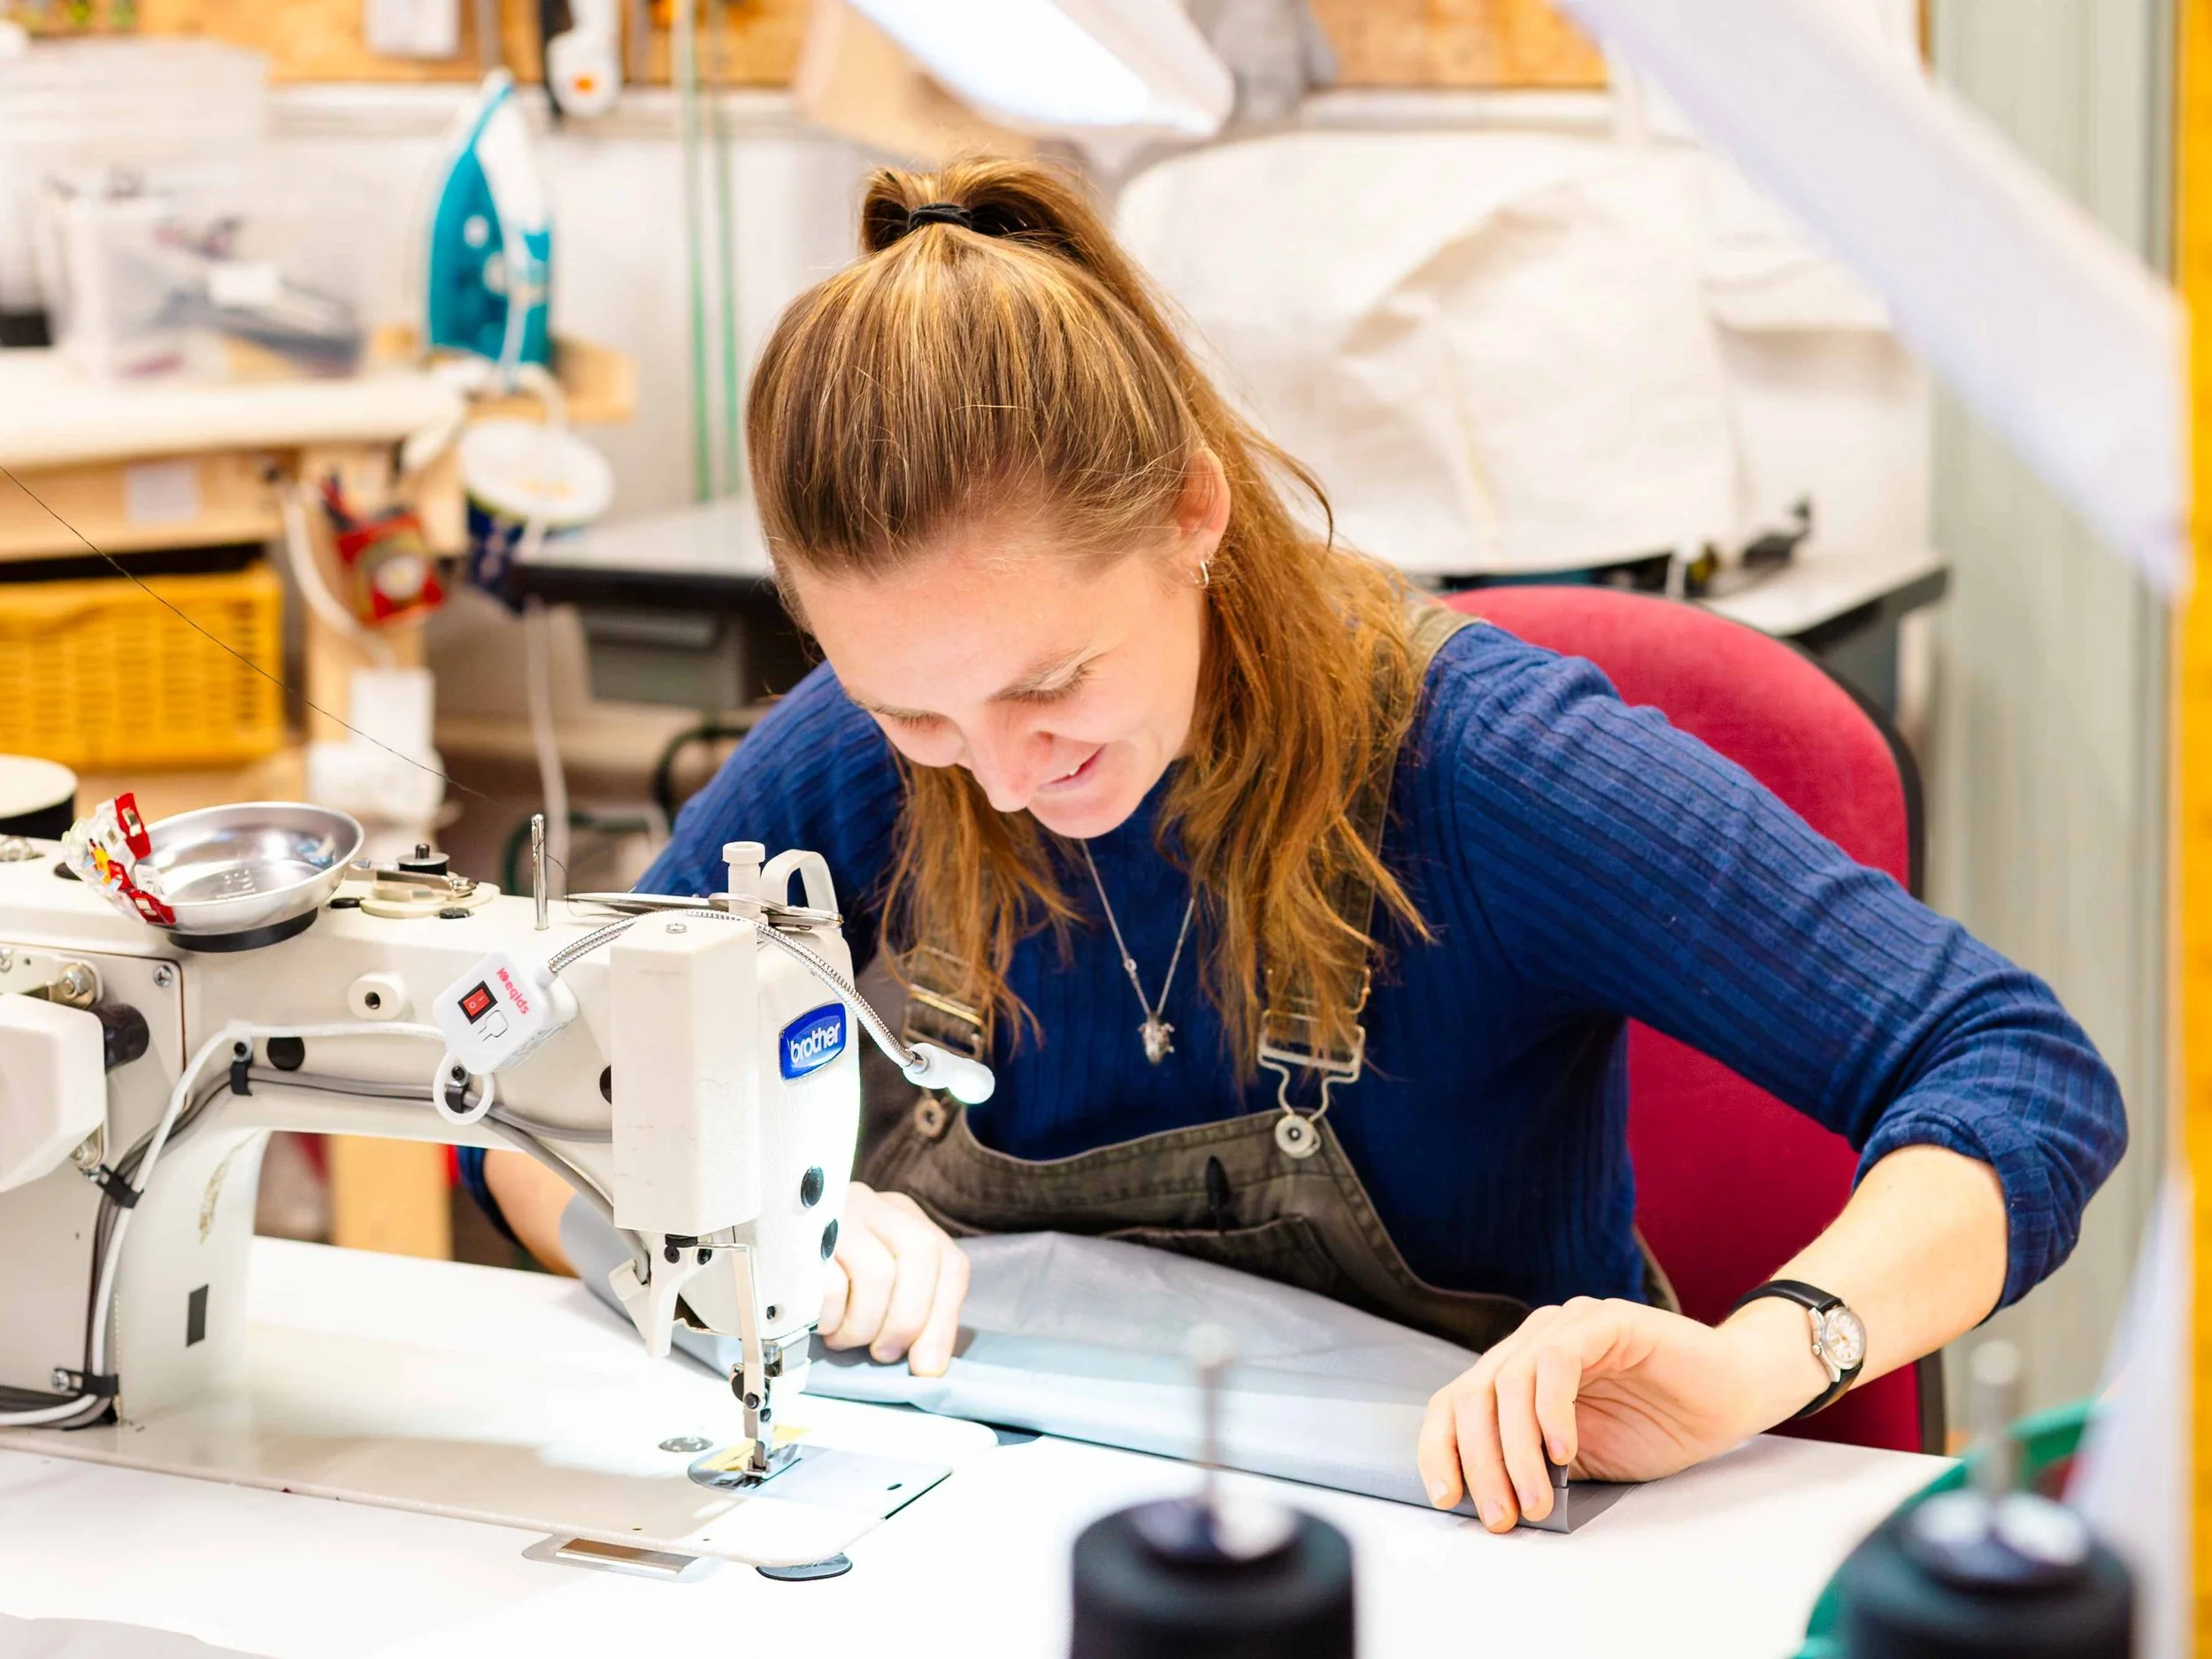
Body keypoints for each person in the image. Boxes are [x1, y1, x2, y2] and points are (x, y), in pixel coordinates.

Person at [466, 157, 2124, 1532]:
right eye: (921, 714)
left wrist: (1767, 1356)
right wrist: (747, 1222)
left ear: (1194, 514)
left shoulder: (1486, 770)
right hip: (1025, 1517)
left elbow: (2018, 1067)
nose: (1002, 774)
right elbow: (532, 1096)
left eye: (1052, 685)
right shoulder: (866, 753)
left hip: (1478, 1545)